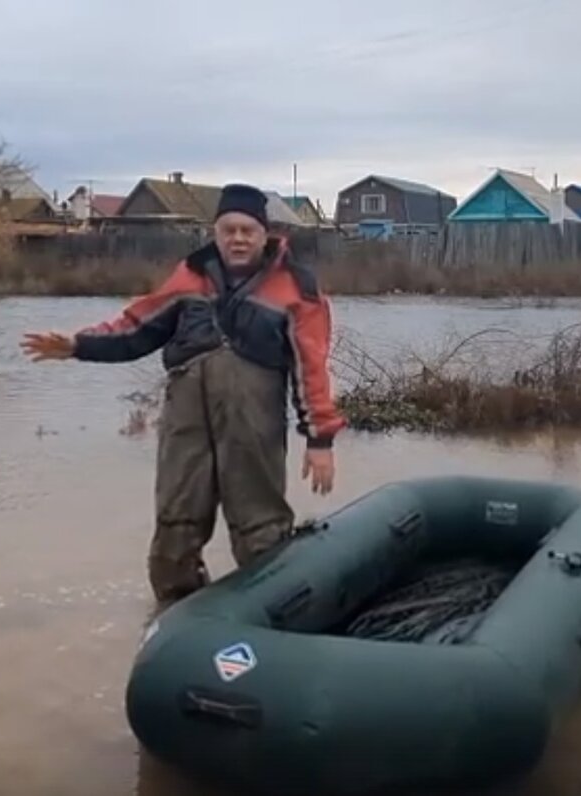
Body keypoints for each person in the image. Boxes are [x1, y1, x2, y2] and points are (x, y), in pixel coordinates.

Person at [20, 183, 346, 603]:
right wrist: (78, 345)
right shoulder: (190, 275)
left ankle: (272, 620)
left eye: (248, 230)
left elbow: (312, 369)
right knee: (175, 530)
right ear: (216, 231)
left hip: (253, 429)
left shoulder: (297, 288)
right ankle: (176, 621)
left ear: (265, 234)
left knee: (260, 530)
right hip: (186, 424)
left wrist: (319, 440)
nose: (238, 239)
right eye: (229, 229)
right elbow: (136, 328)